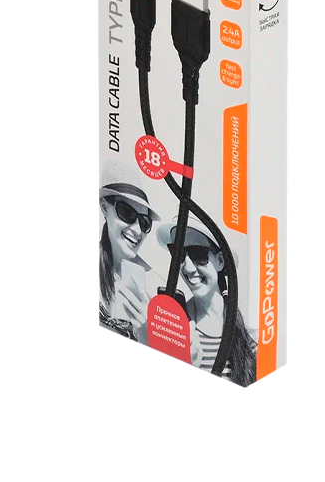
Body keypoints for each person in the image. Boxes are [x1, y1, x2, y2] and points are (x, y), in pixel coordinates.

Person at [157, 214, 256, 386]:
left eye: (198, 254)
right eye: (179, 254)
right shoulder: (174, 327)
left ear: (220, 261)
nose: (188, 267)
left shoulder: (249, 340)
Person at [98, 162, 162, 344]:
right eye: (126, 213)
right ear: (104, 208)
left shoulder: (154, 284)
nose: (137, 230)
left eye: (144, 222)